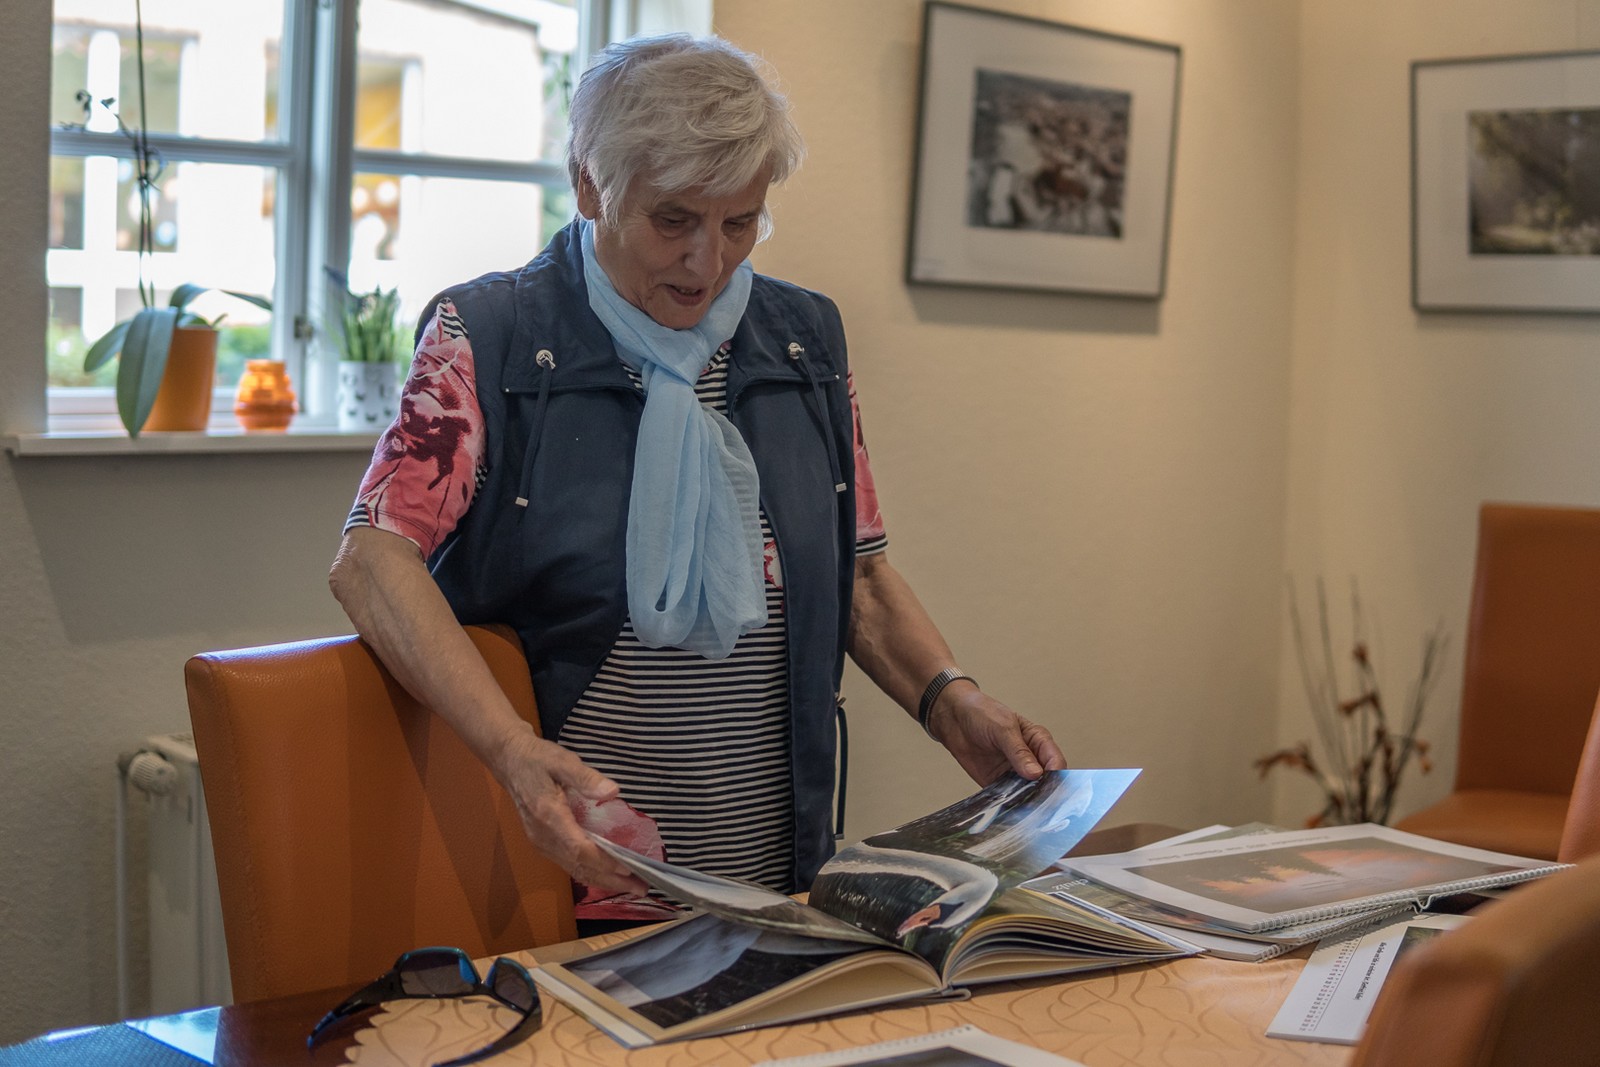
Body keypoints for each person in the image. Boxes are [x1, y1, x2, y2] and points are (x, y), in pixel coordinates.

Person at [329, 33, 1065, 926]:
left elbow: (860, 576)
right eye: (673, 220)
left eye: (739, 223)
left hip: (779, 882)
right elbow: (372, 560)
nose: (707, 262)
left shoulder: (803, 341)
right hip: (568, 878)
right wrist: (513, 750)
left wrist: (952, 699)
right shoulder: (488, 337)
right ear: (590, 185)